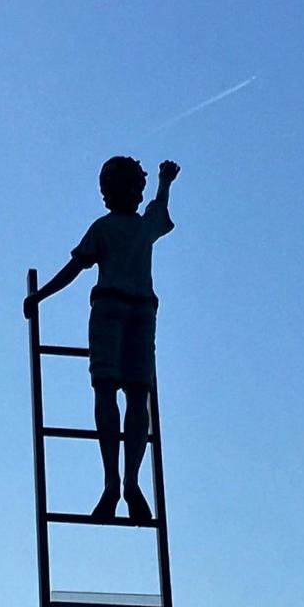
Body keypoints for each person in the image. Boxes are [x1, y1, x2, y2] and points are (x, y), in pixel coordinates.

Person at [25, 157, 180, 522]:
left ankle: (126, 482)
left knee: (132, 395)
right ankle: (116, 481)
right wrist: (41, 296)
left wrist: (164, 182)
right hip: (123, 310)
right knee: (114, 392)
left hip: (132, 311)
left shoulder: (133, 227)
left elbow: (159, 209)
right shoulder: (114, 228)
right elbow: (77, 267)